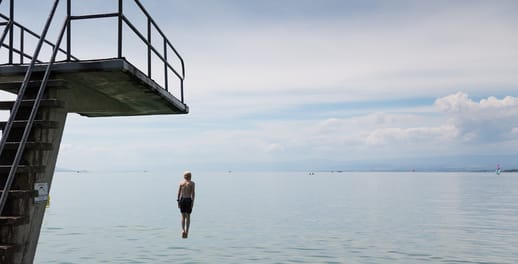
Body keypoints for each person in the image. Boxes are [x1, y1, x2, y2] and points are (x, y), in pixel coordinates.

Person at [177, 171, 195, 238]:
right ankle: (187, 231)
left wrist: (178, 201)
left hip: (182, 200)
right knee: (188, 217)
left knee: (183, 216)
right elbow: (193, 193)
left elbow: (178, 193)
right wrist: (192, 202)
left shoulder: (181, 183)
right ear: (190, 176)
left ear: (184, 177)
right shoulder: (192, 183)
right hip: (188, 200)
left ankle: (182, 230)